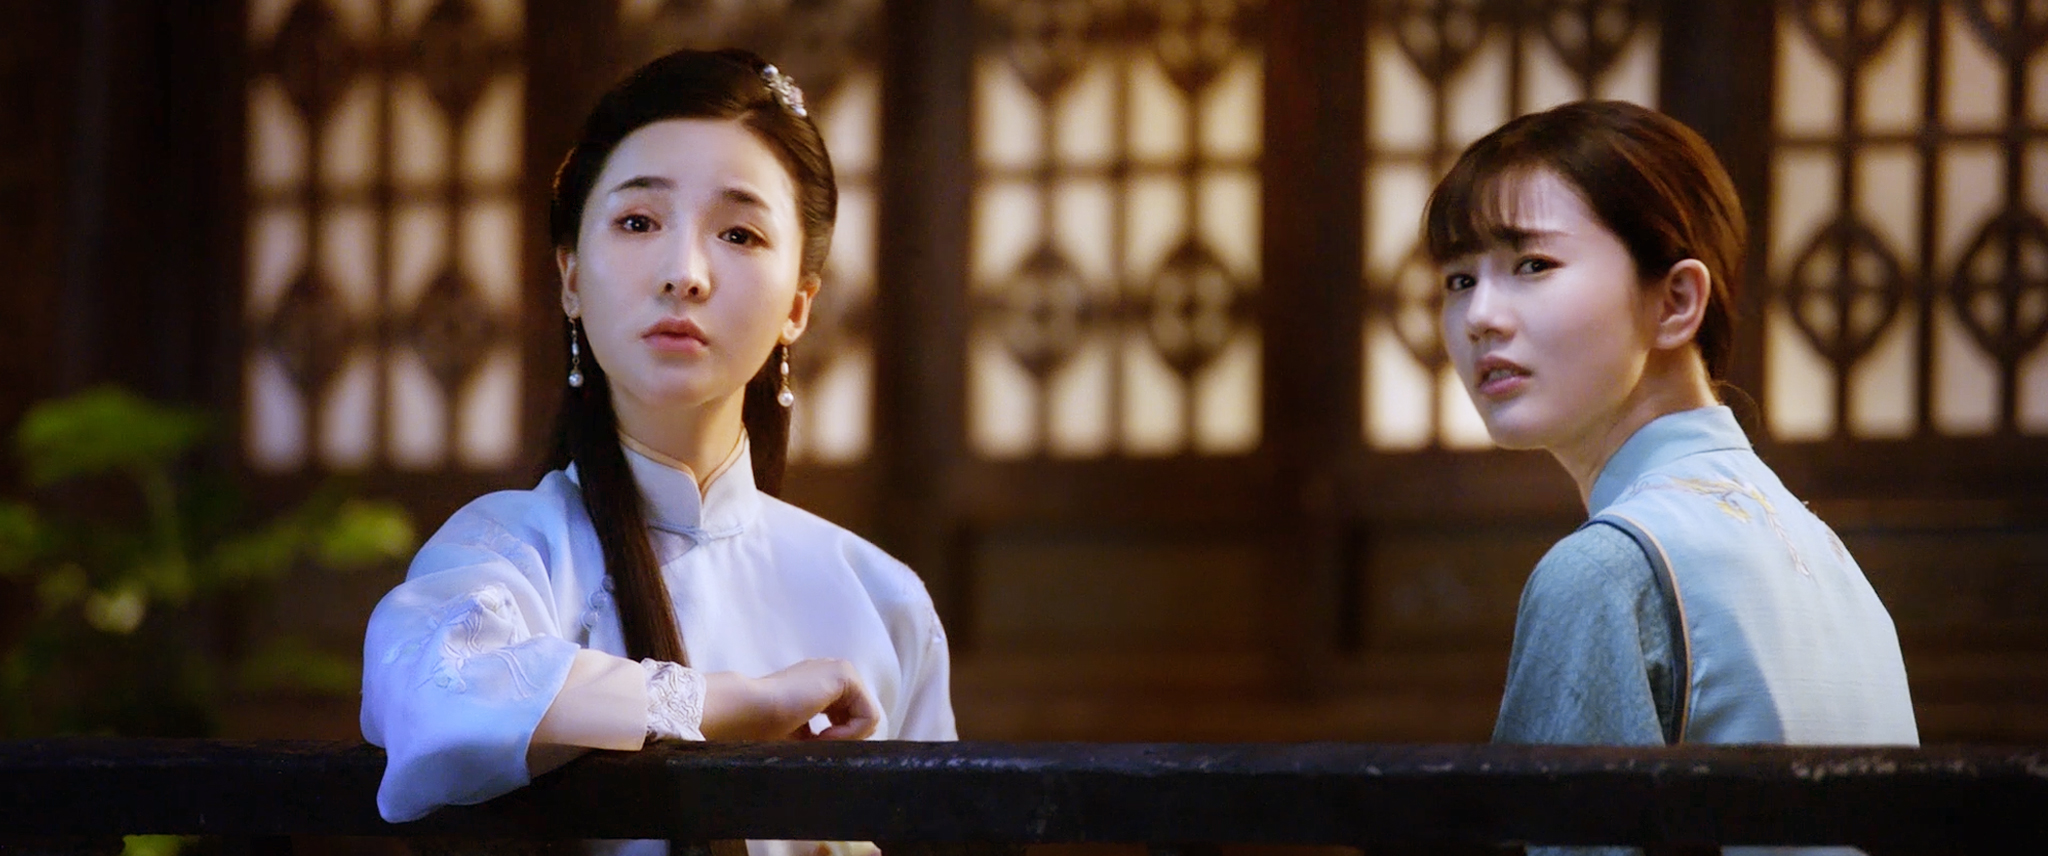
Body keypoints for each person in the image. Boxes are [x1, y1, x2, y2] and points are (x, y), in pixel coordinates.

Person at [361, 48, 956, 855]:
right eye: (639, 222)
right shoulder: (508, 555)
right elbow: (430, 693)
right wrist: (725, 704)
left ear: (799, 306)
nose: (684, 273)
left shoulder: (882, 603)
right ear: (570, 278)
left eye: (739, 233)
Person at [1424, 101, 1917, 854]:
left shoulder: (1605, 568)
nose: (1479, 316)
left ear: (1676, 301)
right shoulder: (1824, 551)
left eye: (1533, 265)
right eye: (1460, 279)